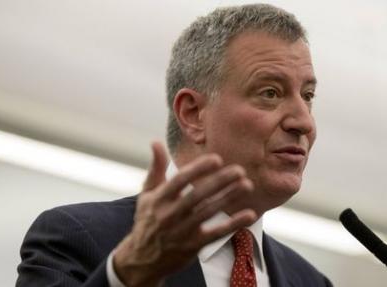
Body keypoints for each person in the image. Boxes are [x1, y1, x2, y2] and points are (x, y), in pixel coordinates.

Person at [16, 4, 333, 287]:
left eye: (308, 96)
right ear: (193, 113)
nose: (304, 122)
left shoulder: (311, 281)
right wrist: (128, 276)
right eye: (270, 93)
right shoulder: (77, 238)